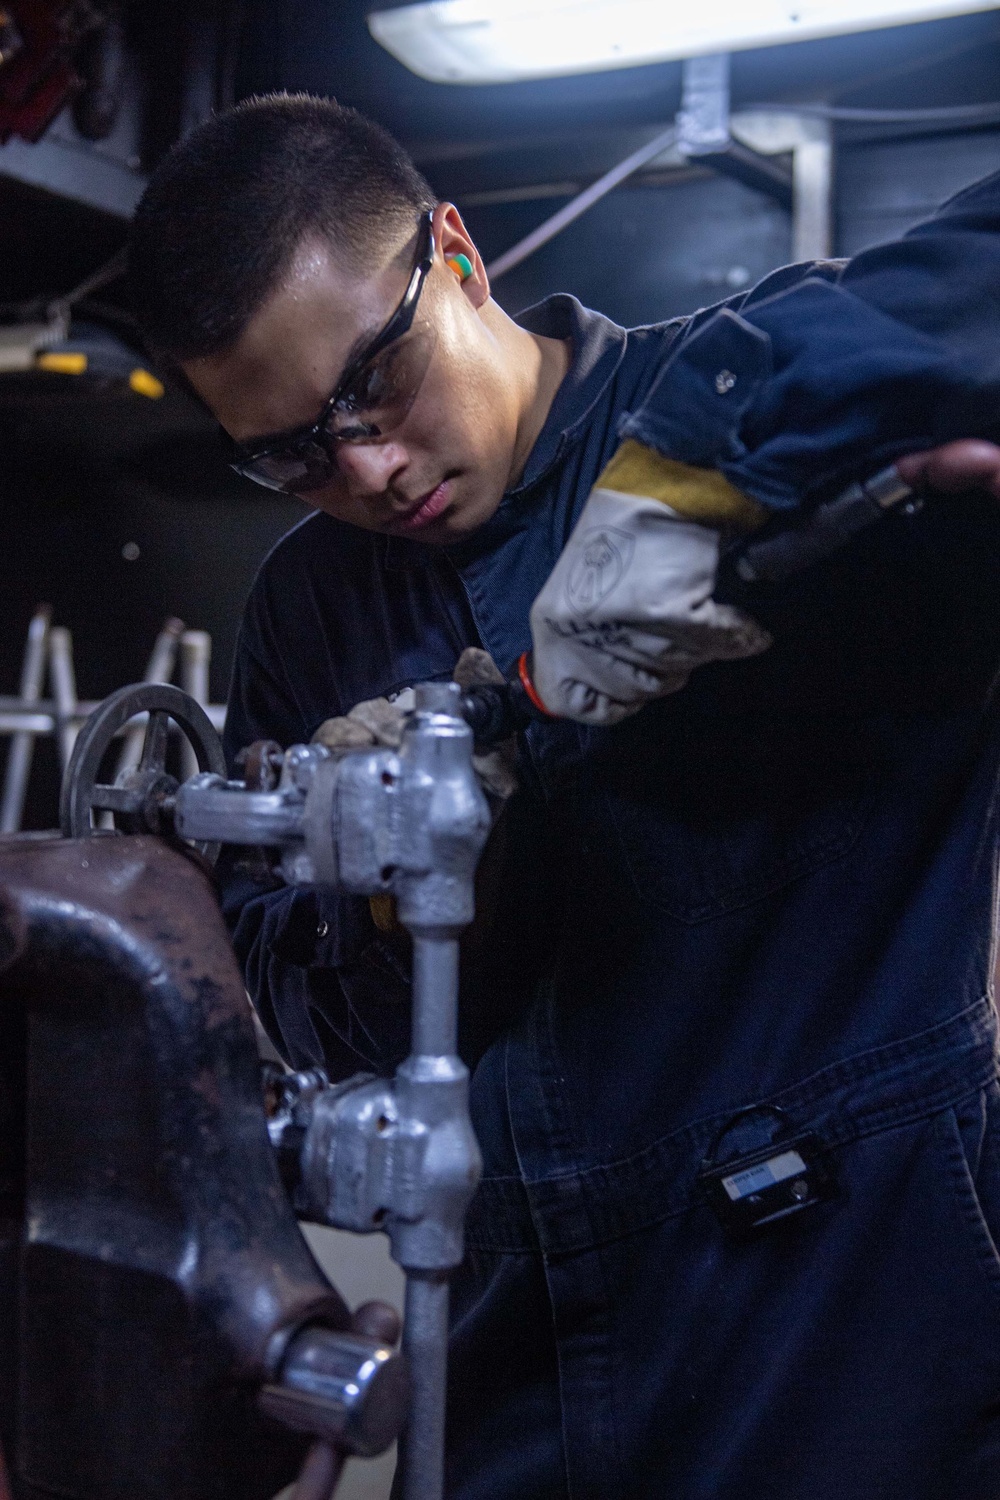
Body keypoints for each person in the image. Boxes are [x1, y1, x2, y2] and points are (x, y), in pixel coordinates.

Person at [129, 94, 1000, 1499]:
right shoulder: (310, 603)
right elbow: (294, 995)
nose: (366, 469)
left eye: (377, 381)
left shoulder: (746, 391)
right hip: (507, 1354)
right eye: (290, 451)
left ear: (457, 255)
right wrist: (386, 898)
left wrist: (713, 454)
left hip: (853, 1318)